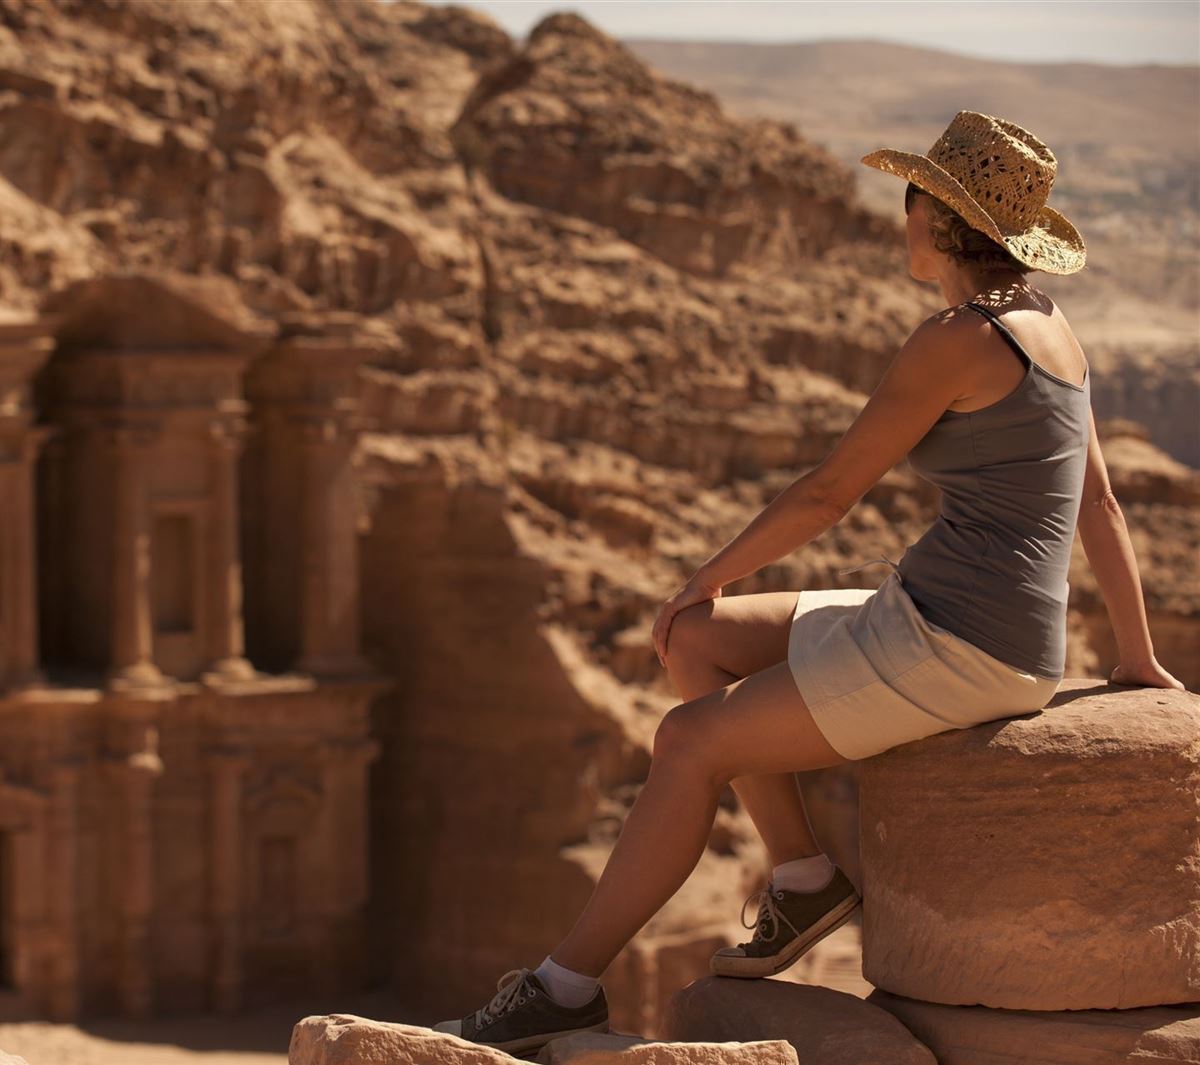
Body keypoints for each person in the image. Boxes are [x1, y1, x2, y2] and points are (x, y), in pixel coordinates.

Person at [431, 110, 1185, 1056]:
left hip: (958, 645)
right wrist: (1137, 656)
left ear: (939, 218)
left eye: (912, 200)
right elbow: (1102, 506)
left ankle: (560, 987)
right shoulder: (1051, 324)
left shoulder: (955, 339)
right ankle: (800, 877)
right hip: (951, 620)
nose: (900, 218)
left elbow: (831, 491)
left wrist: (703, 572)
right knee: (696, 641)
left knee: (687, 740)